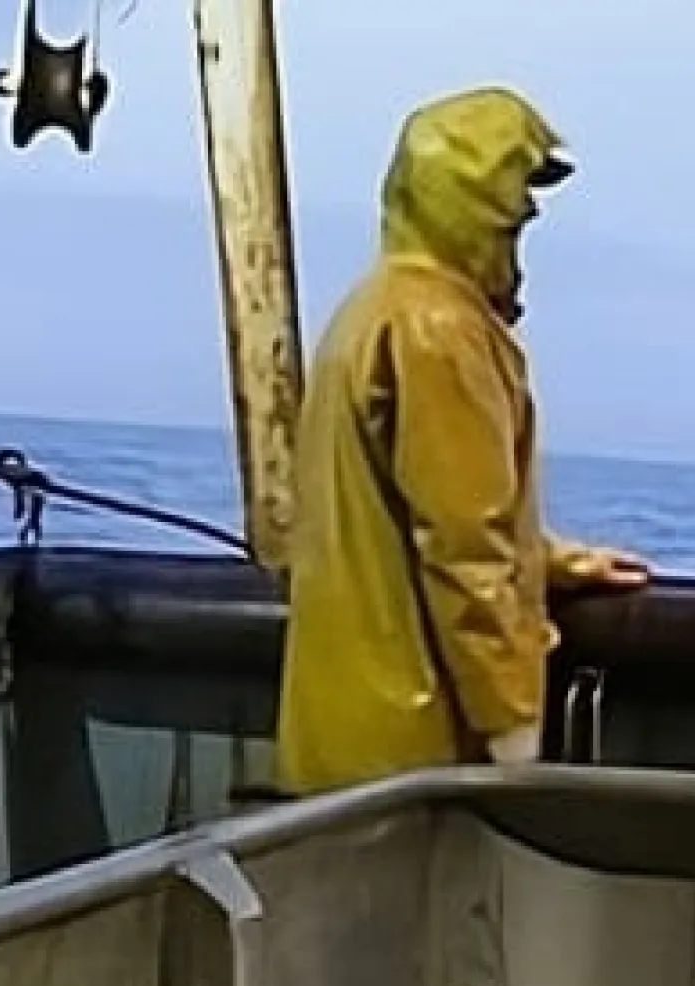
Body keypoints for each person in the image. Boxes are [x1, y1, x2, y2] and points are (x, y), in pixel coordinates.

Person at [272, 85, 652, 798]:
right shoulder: (442, 332)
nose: (529, 213)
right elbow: (463, 547)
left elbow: (396, 515)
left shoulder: (371, 310)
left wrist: (549, 561)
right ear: (475, 210)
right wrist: (513, 731)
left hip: (337, 740)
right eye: (516, 205)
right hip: (412, 758)